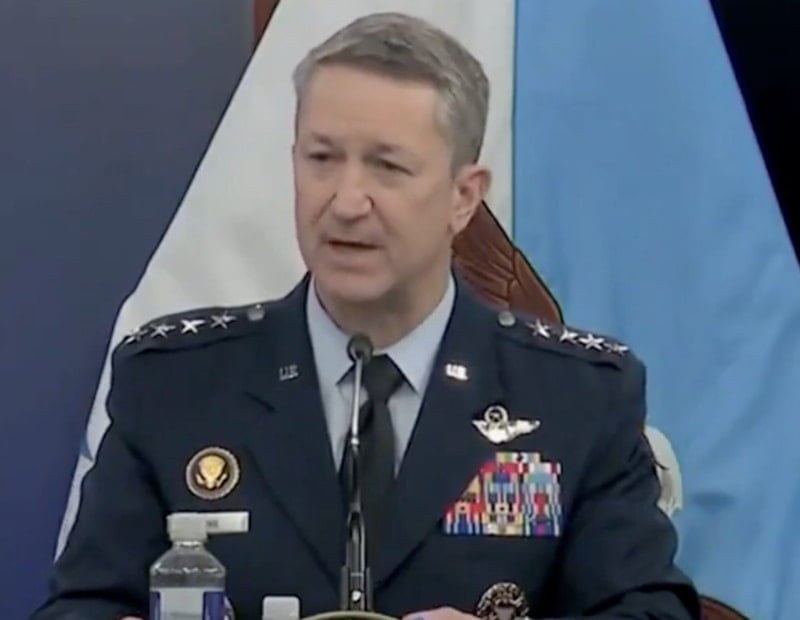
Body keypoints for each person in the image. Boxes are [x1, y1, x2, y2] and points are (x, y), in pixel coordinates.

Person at [32, 12, 701, 620]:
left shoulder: (576, 398)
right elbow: (81, 608)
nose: (347, 201)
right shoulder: (175, 384)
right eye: (322, 159)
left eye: (387, 167)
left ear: (464, 197)